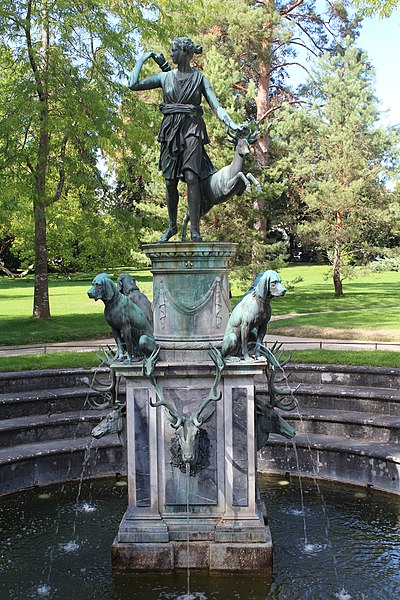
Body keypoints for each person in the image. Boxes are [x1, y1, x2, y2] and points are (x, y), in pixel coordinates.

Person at [128, 36, 244, 242]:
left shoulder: (200, 79)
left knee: (192, 177)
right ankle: (172, 226)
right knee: (170, 181)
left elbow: (216, 107)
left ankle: (195, 230)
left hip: (192, 128)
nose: (171, 53)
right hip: (170, 130)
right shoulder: (165, 78)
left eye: (174, 50)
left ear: (185, 53)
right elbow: (133, 84)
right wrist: (144, 57)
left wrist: (232, 124)